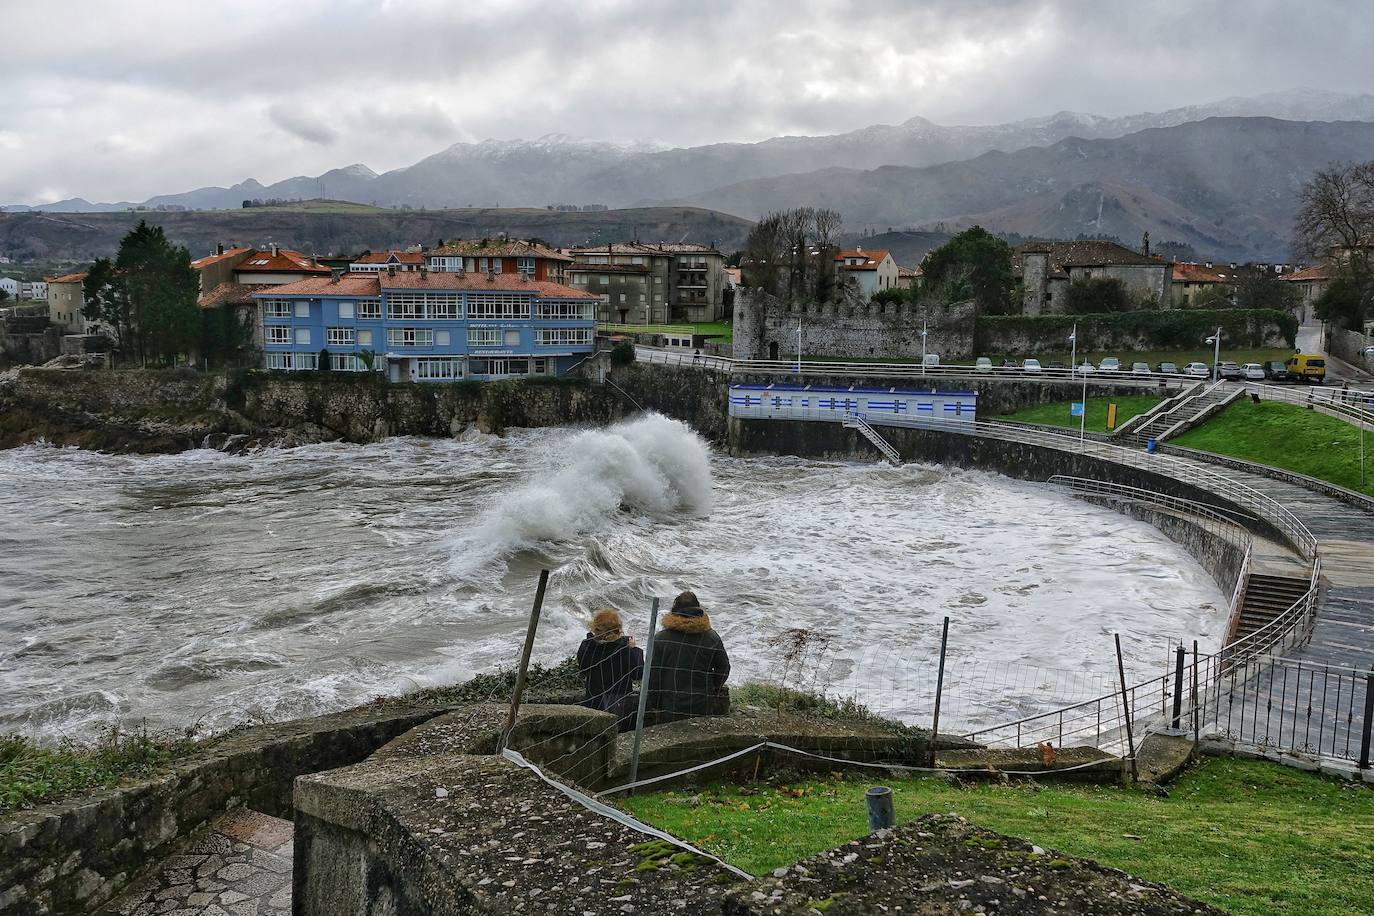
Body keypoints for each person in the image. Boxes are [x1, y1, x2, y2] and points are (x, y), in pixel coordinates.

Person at [647, 591, 730, 720]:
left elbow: (653, 675)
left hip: (670, 705)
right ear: (699, 611)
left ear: (674, 611)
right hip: (702, 705)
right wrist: (712, 689)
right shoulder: (711, 637)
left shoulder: (661, 639)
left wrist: (654, 704)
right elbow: (724, 668)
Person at [576, 609, 644, 731]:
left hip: (594, 701)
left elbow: (583, 670)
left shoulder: (586, 646)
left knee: (594, 736)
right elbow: (638, 673)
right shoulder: (624, 649)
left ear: (595, 627)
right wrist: (633, 649)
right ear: (618, 629)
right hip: (620, 704)